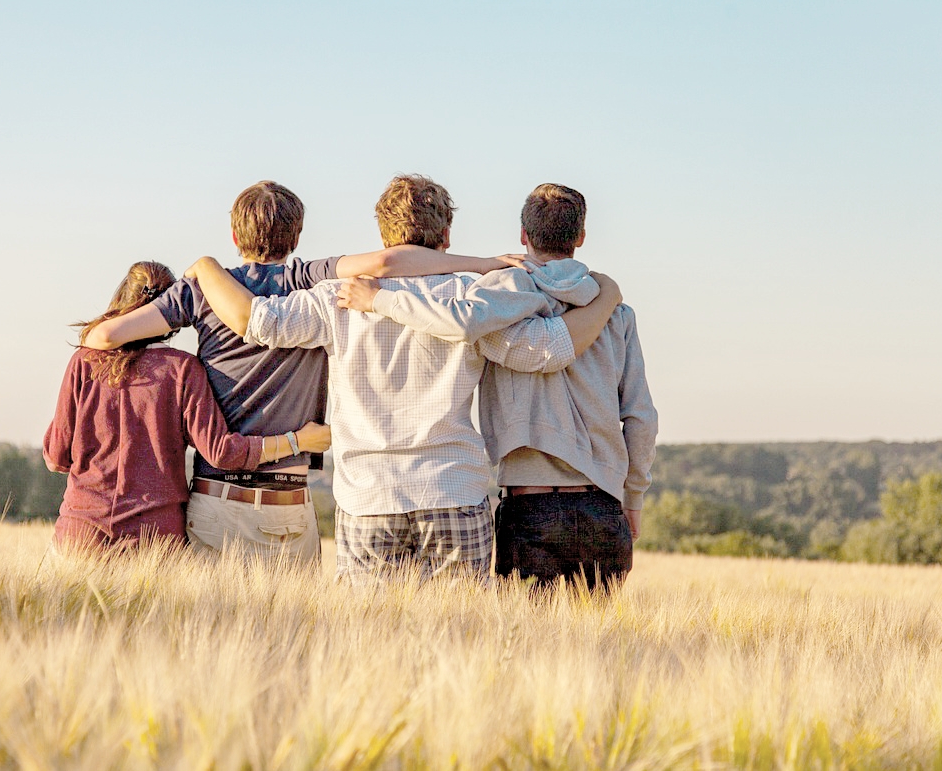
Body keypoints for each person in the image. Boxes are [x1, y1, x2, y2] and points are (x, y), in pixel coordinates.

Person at [187, 175, 623, 584]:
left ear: (383, 236)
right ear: (446, 238)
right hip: (452, 488)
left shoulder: (335, 298)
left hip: (368, 496)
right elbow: (545, 351)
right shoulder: (471, 298)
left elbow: (258, 322)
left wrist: (206, 267)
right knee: (460, 639)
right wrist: (606, 298)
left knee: (371, 641)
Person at [80, 180, 525, 562]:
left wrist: (199, 273)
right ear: (296, 235)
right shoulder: (308, 279)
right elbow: (389, 263)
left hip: (219, 498)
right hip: (291, 502)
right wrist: (481, 264)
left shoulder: (202, 289)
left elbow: (103, 339)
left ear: (234, 234)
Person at [338, 183, 657, 592]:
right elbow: (642, 418)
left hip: (530, 505)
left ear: (523, 236)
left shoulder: (498, 298)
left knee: (522, 647)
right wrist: (633, 498)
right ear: (580, 238)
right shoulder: (616, 312)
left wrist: (380, 299)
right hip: (603, 506)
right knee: (595, 651)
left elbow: (457, 321)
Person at [43, 260, 331, 553]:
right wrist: (299, 441)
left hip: (80, 533)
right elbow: (221, 452)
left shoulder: (84, 361)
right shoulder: (183, 369)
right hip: (155, 540)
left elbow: (57, 457)